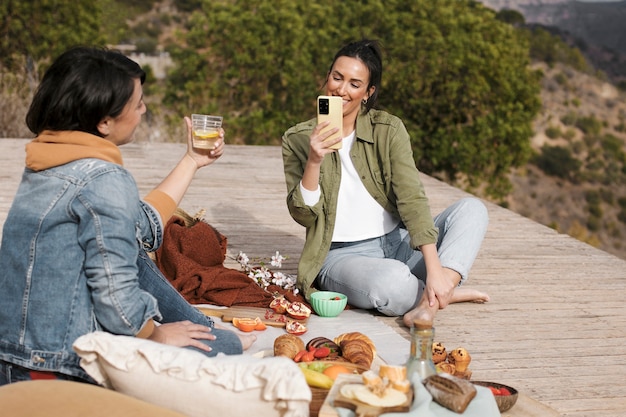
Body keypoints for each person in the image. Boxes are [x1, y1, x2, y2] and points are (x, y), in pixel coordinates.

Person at [0, 46, 254, 386]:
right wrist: (156, 335)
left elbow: (139, 225)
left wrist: (192, 160)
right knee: (226, 349)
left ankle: (204, 329)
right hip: (53, 366)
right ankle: (210, 334)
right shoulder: (104, 179)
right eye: (138, 103)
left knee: (134, 252)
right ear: (104, 122)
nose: (144, 109)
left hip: (13, 354)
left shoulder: (48, 166)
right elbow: (116, 296)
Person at [282, 39, 490, 328]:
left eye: (355, 84)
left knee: (472, 209)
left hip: (398, 244)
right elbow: (302, 215)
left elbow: (411, 198)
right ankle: (438, 296)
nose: (342, 90)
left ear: (368, 93)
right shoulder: (297, 138)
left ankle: (439, 289)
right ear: (326, 78)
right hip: (340, 257)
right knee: (392, 284)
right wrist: (314, 160)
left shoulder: (388, 130)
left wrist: (434, 270)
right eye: (337, 77)